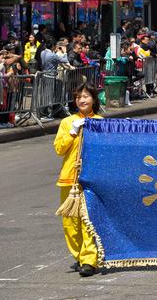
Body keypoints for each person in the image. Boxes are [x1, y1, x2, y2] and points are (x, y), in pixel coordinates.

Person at [53, 83, 103, 277]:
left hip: (90, 180)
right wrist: (73, 131)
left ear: (93, 99)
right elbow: (59, 149)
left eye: (86, 96)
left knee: (87, 220)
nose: (82, 100)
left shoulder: (100, 122)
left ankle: (89, 260)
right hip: (69, 179)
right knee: (70, 223)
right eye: (78, 97)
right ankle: (80, 256)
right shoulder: (67, 122)